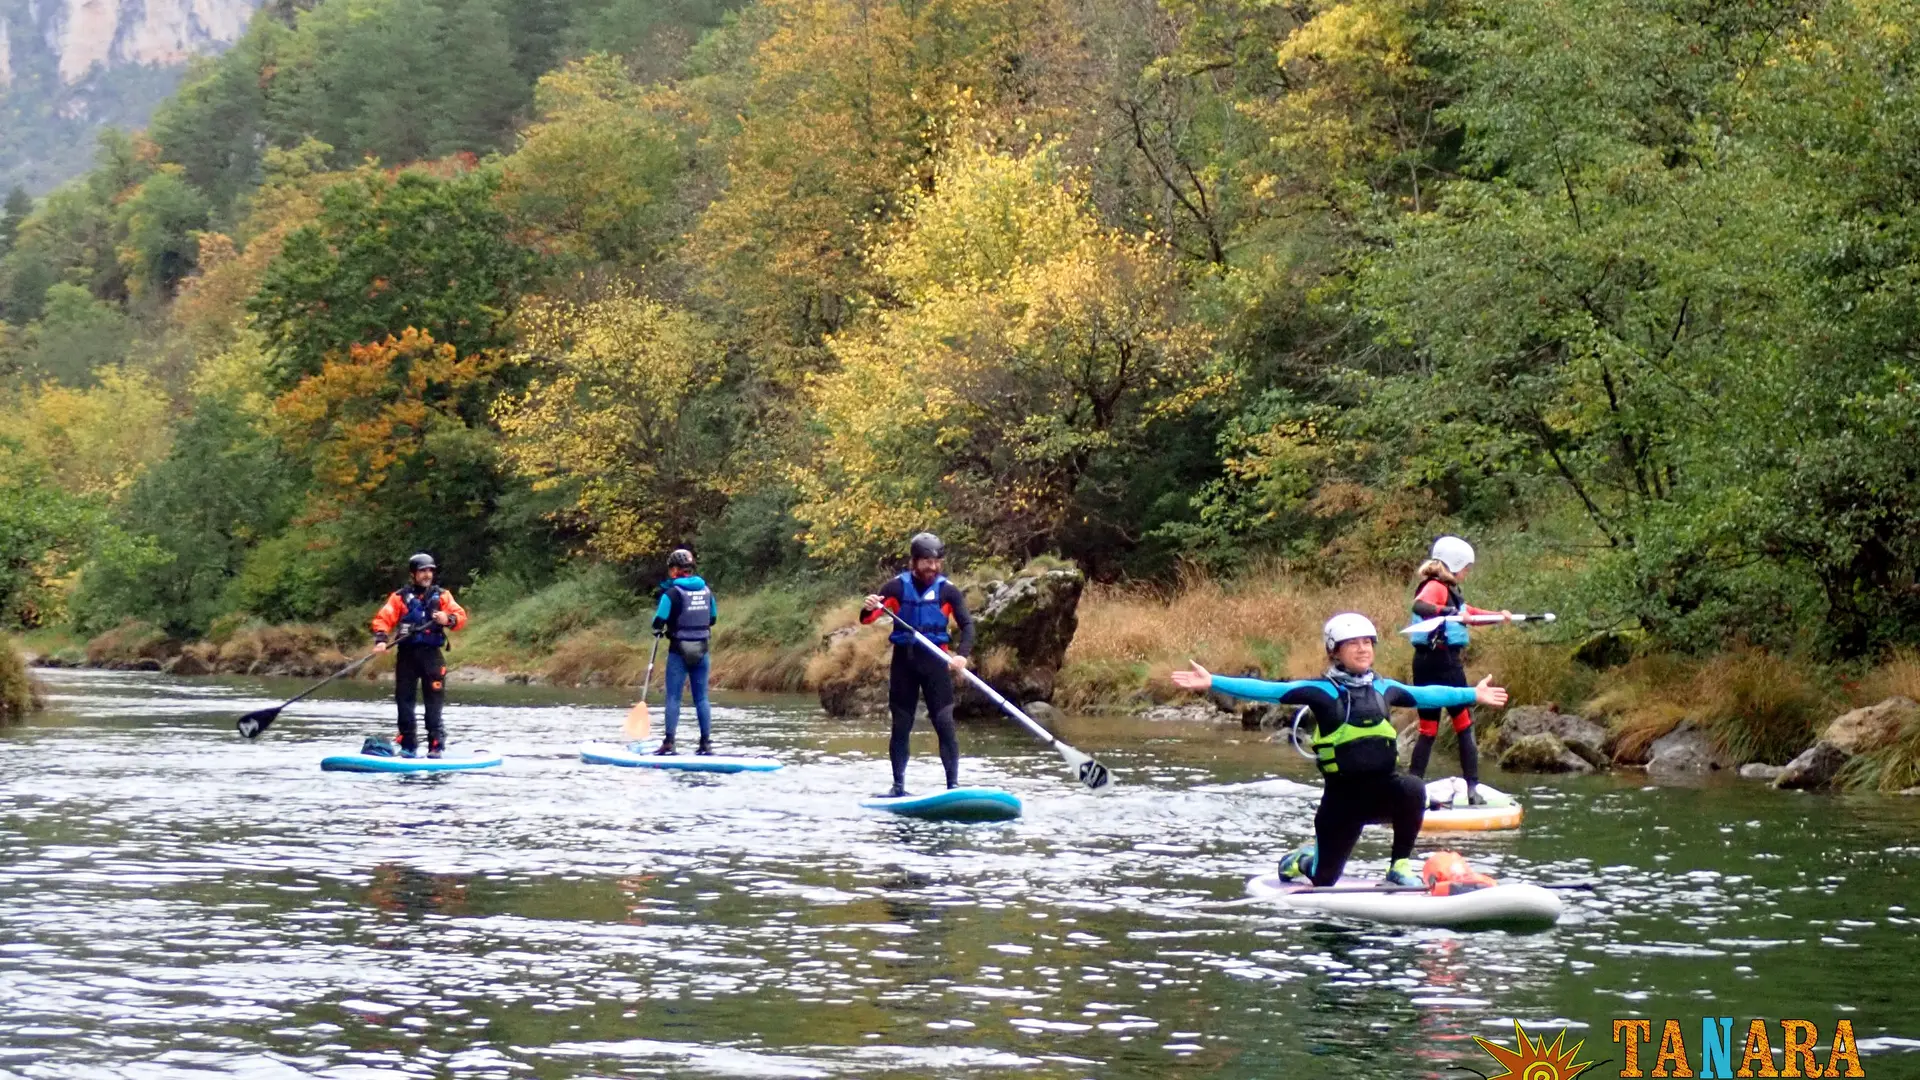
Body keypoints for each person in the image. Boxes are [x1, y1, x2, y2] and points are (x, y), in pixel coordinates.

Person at [1170, 613, 1508, 887]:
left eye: (1367, 642)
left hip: (1384, 794)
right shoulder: (1320, 691)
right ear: (1335, 651)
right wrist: (1213, 681)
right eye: (1353, 644)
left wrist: (1471, 695)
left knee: (1413, 787)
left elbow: (1429, 695)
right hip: (1342, 803)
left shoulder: (1384, 688)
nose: (1363, 649)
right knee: (1324, 878)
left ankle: (1398, 867)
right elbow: (1269, 689)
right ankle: (1300, 860)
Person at [860, 532, 975, 797]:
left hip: (936, 662)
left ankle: (952, 787)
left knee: (944, 722)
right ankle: (898, 786)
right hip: (905, 663)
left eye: (936, 562)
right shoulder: (896, 588)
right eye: (926, 562)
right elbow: (868, 618)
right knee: (901, 724)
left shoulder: (948, 591)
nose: (932, 567)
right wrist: (868, 607)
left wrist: (962, 655)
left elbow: (967, 625)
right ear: (914, 562)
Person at [1406, 535, 1511, 803]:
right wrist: (1451, 614)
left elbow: (1471, 613)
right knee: (1463, 725)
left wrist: (1499, 616)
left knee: (1428, 730)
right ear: (1453, 564)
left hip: (1425, 663)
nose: (1467, 572)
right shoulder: (1436, 587)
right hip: (1444, 664)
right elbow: (1420, 605)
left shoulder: (1447, 591)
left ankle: (1412, 788)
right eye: (1466, 567)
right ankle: (1472, 789)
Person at [370, 553, 469, 757]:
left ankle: (435, 746)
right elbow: (384, 618)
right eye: (423, 571)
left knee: (433, 702)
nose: (427, 575)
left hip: (431, 657)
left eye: (430, 571)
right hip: (407, 656)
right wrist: (381, 640)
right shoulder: (399, 597)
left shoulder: (442, 596)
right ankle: (408, 745)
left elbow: (460, 617)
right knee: (404, 701)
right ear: (413, 574)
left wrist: (447, 618)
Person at [652, 548, 716, 756]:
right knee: (701, 698)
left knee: (673, 698)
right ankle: (705, 744)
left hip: (679, 651)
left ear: (675, 571)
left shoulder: (671, 594)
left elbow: (658, 621)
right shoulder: (707, 591)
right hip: (702, 651)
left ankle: (669, 743)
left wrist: (660, 629)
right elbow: (712, 618)